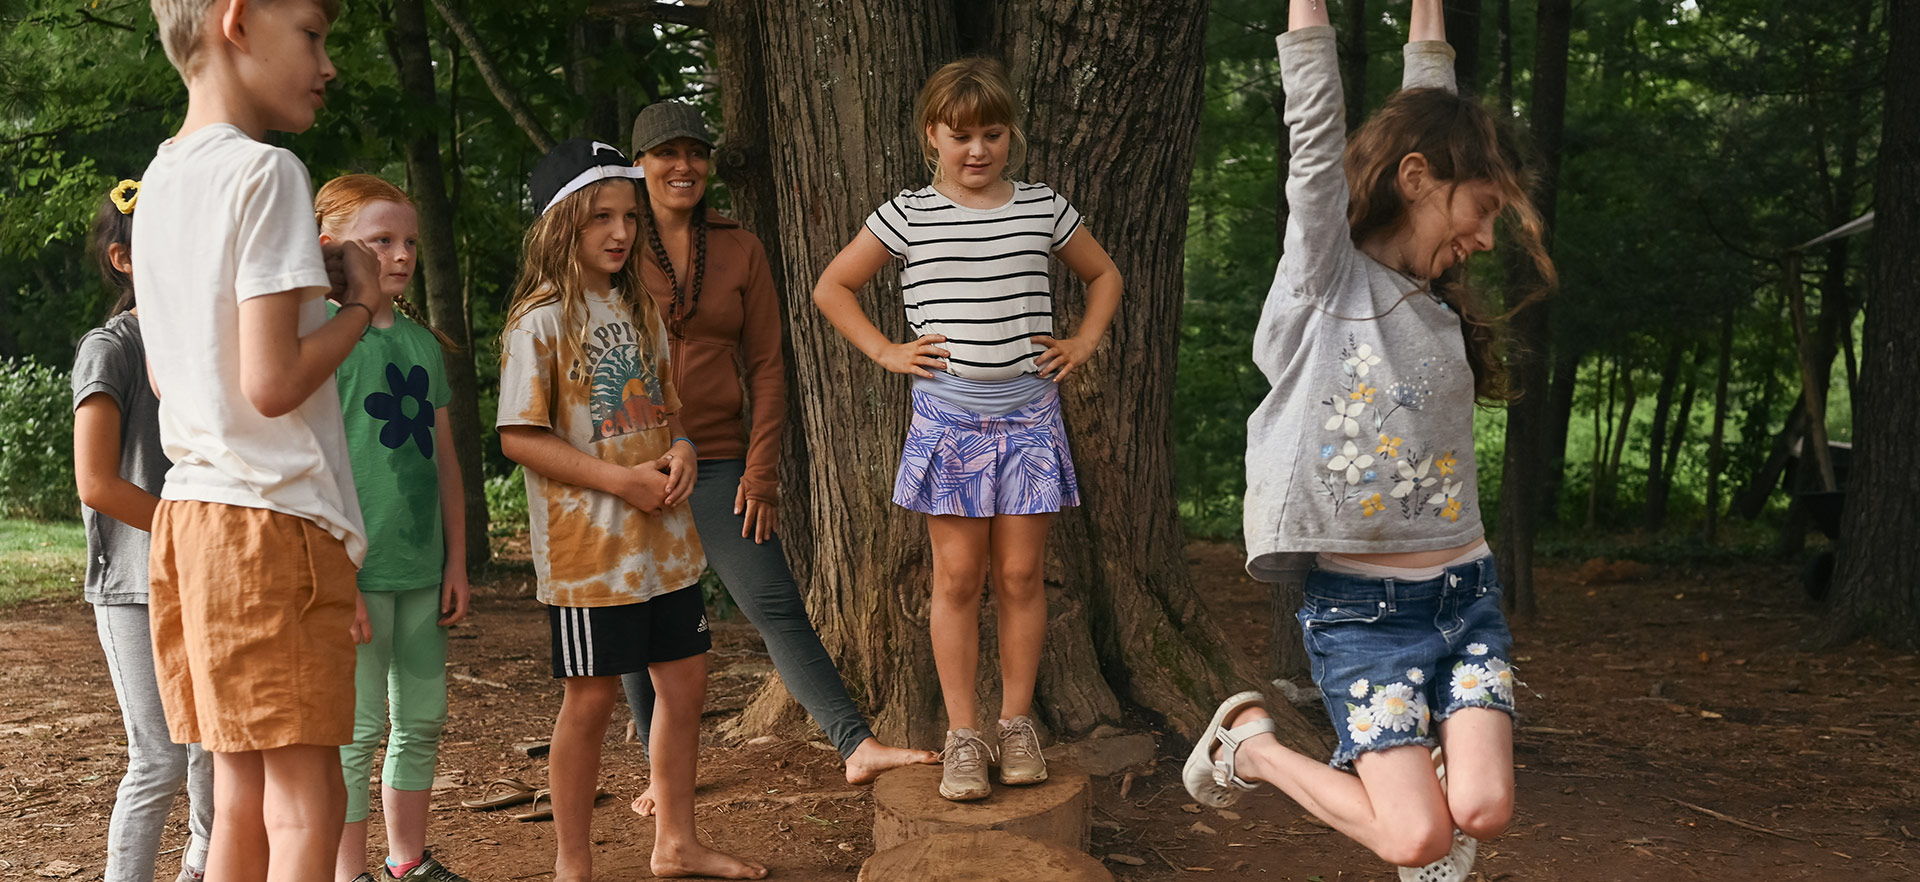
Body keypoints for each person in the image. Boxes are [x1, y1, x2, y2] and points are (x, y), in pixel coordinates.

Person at [1180, 2, 1555, 880]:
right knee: (1419, 844)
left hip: (1466, 592)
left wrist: (1431, 17)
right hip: (1362, 613)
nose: (1486, 237)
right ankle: (1252, 745)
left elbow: (1431, 110)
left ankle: (1413, 775)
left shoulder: (1432, 292)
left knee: (1485, 811)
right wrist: (1305, 16)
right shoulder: (1325, 278)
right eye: (1482, 210)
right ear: (1417, 178)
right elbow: (1315, 139)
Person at [811, 58, 1123, 802]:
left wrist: (1081, 342)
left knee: (1018, 576)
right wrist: (887, 350)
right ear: (933, 137)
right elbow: (833, 286)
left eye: (991, 133)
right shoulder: (908, 214)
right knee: (956, 579)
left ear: (1010, 135)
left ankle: (1016, 725)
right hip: (949, 421)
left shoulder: (1043, 207)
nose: (977, 149)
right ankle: (963, 736)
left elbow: (1103, 276)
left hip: (1030, 417)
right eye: (961, 136)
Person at [618, 101, 936, 817]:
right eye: (667, 153)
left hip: (722, 457)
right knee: (642, 614)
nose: (683, 166)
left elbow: (766, 365)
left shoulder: (740, 247)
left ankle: (855, 744)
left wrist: (763, 468)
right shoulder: (614, 242)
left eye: (695, 152)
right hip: (630, 462)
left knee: (773, 602)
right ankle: (659, 767)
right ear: (640, 166)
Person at [132, 1, 383, 881]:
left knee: (237, 800)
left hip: (192, 521)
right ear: (237, 22)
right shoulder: (269, 172)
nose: (329, 62)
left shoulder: (158, 182)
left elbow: (174, 375)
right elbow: (272, 384)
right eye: (313, 34)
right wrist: (360, 308)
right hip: (272, 524)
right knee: (310, 806)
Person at [496, 137, 767, 881]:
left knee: (685, 684)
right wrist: (619, 483)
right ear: (561, 225)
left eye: (628, 216)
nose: (620, 233)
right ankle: (572, 865)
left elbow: (668, 413)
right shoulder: (541, 321)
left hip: (666, 546)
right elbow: (519, 435)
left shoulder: (638, 306)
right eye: (599, 218)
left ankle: (675, 842)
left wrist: (680, 450)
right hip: (592, 559)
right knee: (589, 703)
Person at [313, 174, 473, 882]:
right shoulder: (321, 339)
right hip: (356, 569)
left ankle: (407, 863)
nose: (401, 254)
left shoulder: (422, 345)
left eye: (409, 241)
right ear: (333, 245)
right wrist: (334, 574)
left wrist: (458, 560)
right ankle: (349, 875)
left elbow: (443, 466)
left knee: (423, 719)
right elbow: (312, 467)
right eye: (381, 240)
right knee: (356, 733)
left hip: (423, 566)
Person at [72, 179, 215, 882]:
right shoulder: (112, 348)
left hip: (209, 577)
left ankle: (201, 870)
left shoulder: (208, 345)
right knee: (159, 758)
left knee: (214, 752)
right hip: (136, 584)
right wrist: (190, 527)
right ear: (125, 259)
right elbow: (96, 483)